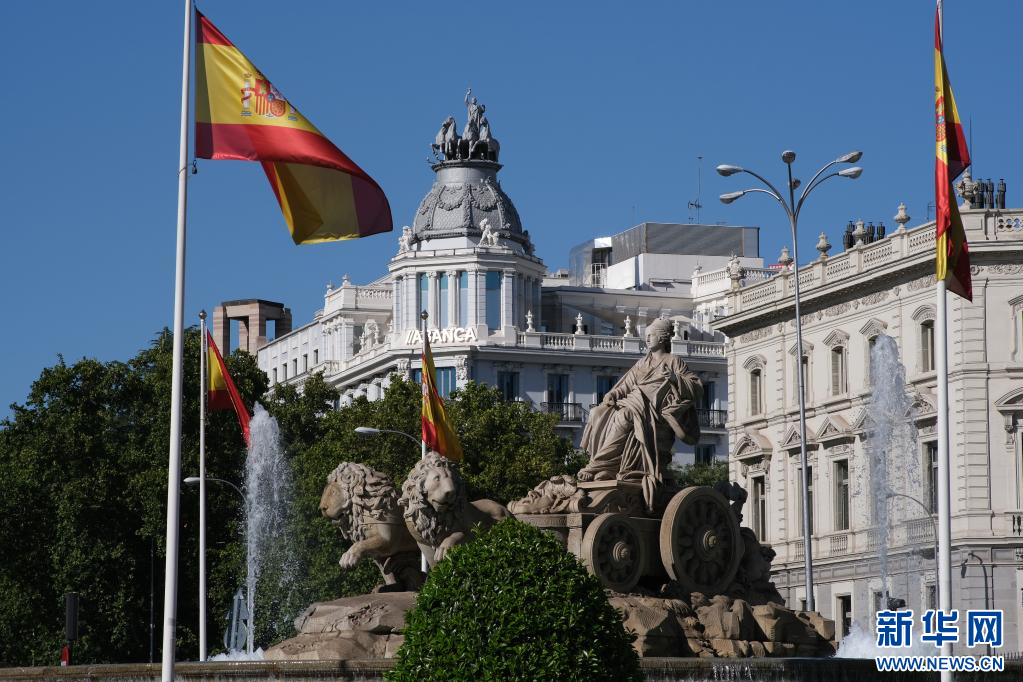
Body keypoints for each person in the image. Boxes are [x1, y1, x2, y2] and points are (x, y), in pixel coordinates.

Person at [577, 318, 703, 506]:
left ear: (662, 338)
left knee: (625, 415)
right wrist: (612, 394)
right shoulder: (642, 363)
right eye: (646, 336)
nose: (647, 339)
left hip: (654, 413)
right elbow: (626, 385)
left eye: (650, 335)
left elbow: (697, 387)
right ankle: (607, 467)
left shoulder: (673, 361)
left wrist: (676, 379)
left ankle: (597, 465)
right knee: (598, 413)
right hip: (635, 403)